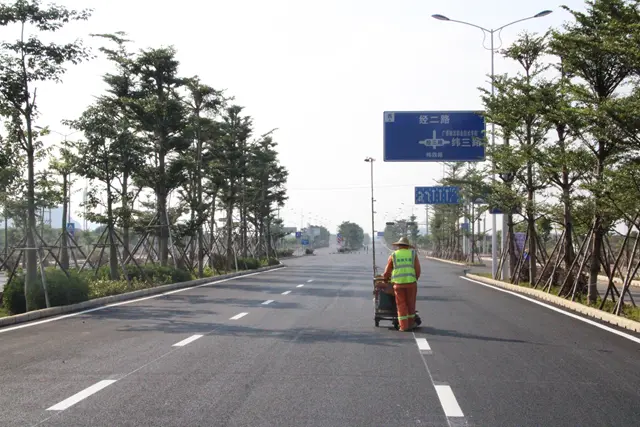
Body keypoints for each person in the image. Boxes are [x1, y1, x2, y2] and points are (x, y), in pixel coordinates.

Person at [382, 236, 421, 331]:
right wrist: (415, 278)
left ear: (399, 246)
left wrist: (385, 279)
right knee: (411, 304)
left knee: (401, 305)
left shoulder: (394, 255)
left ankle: (403, 326)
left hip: (398, 285)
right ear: (407, 246)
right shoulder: (413, 254)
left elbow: (387, 271)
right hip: (411, 283)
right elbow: (418, 270)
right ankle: (411, 323)